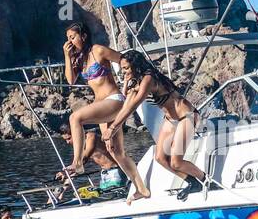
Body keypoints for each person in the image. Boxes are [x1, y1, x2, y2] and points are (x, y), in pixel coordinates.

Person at [105, 50, 218, 202]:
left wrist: (113, 128)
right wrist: (126, 82)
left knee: (176, 162)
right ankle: (192, 182)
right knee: (160, 157)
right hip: (170, 119)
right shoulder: (137, 80)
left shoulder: (149, 78)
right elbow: (127, 102)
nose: (123, 72)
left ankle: (206, 181)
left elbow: (134, 105)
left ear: (135, 65)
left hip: (187, 116)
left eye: (125, 68)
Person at [62, 21, 150, 199]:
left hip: (114, 100)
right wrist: (67, 55)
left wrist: (128, 84)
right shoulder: (79, 59)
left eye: (72, 37)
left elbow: (125, 61)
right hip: (103, 109)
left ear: (83, 36)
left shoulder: (98, 50)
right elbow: (70, 80)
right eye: (67, 39)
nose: (70, 41)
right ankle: (142, 189)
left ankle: (77, 162)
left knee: (75, 118)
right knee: (116, 152)